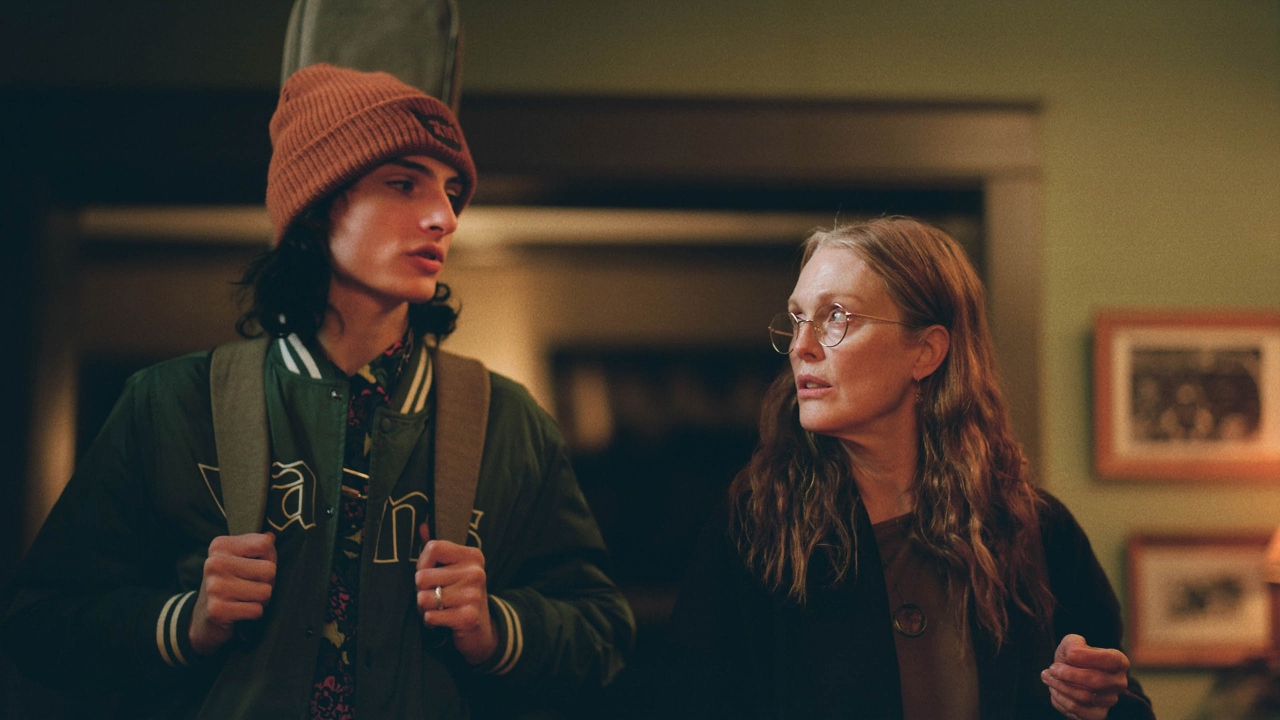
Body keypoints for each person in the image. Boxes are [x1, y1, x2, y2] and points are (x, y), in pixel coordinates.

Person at [1, 63, 634, 719]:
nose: (444, 216)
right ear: (319, 202)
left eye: (450, 193)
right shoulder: (169, 404)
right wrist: (184, 622)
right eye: (404, 184)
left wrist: (500, 629)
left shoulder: (509, 421)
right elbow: (39, 626)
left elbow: (604, 637)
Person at [667, 217, 1154, 720]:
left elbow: (1122, 702)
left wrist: (1097, 703)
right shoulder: (756, 531)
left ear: (925, 351)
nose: (800, 346)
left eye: (835, 316)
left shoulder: (1037, 531)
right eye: (797, 319)